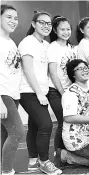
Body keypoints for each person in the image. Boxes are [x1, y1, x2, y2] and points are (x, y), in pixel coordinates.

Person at [18, 10, 62, 174]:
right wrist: (39, 93)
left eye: (48, 23)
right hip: (28, 91)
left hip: (40, 90)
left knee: (35, 126)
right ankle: (44, 161)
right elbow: (28, 71)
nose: (46, 26)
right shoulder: (27, 43)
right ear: (33, 24)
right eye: (42, 22)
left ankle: (33, 162)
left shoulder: (45, 45)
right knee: (46, 125)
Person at [54, 59, 89, 168]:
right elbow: (69, 118)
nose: (84, 70)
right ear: (73, 74)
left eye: (86, 68)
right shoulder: (70, 93)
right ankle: (65, 155)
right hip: (77, 139)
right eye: (80, 69)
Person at [0, 4, 25, 175]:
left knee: (5, 135)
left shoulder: (11, 42)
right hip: (3, 94)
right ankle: (7, 171)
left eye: (16, 18)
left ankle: (3, 169)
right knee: (17, 132)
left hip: (13, 94)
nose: (13, 21)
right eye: (9, 17)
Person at [48, 15, 77, 152]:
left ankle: (69, 152)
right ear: (55, 30)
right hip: (56, 90)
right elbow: (53, 73)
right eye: (62, 29)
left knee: (72, 122)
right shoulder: (52, 47)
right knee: (62, 122)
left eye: (68, 29)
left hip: (71, 90)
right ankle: (58, 153)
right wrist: (63, 93)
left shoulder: (72, 48)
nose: (66, 32)